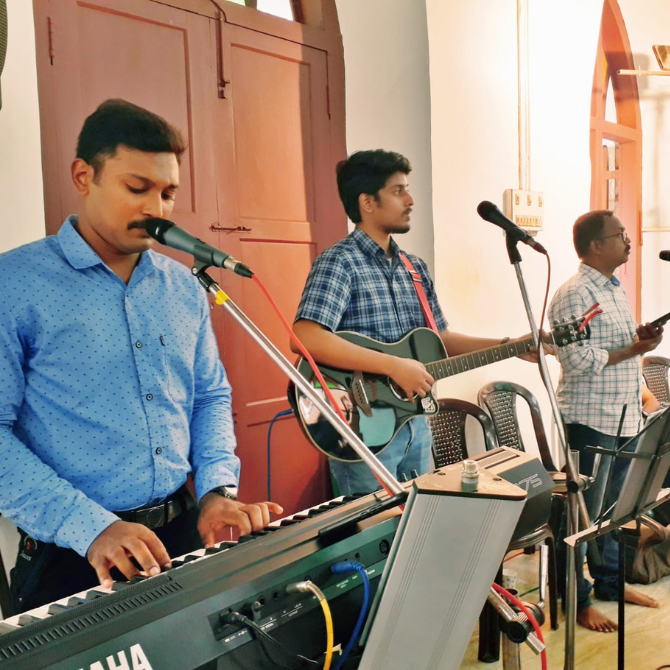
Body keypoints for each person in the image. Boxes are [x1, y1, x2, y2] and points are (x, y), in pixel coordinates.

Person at [0, 99, 281, 613]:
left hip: (180, 534)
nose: (157, 209)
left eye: (168, 193)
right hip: (73, 554)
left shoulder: (184, 288)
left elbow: (209, 396)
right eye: (137, 188)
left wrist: (217, 490)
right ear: (83, 176)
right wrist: (91, 527)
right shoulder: (13, 285)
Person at [292, 149, 536, 495]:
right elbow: (305, 337)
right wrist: (394, 366)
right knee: (375, 527)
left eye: (407, 189)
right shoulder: (340, 262)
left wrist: (510, 346)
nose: (410, 200)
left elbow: (441, 338)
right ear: (367, 202)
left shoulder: (414, 268)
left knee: (415, 523)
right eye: (398, 191)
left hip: (416, 423)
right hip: (364, 432)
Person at [549, 209, 663, 632]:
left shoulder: (613, 288)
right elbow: (576, 360)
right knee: (581, 518)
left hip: (623, 416)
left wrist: (642, 339)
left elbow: (615, 344)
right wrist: (632, 351)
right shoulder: (574, 294)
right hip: (589, 420)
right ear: (596, 245)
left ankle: (611, 584)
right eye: (620, 234)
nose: (628, 240)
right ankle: (576, 601)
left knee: (614, 513)